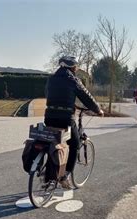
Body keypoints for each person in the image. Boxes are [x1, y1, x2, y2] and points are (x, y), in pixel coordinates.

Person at [44, 56, 104, 188]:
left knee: (52, 142)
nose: (77, 68)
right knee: (75, 144)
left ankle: (48, 175)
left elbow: (48, 95)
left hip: (49, 116)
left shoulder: (52, 78)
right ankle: (65, 175)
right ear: (72, 67)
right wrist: (98, 109)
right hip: (65, 118)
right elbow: (86, 96)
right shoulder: (72, 80)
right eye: (76, 66)